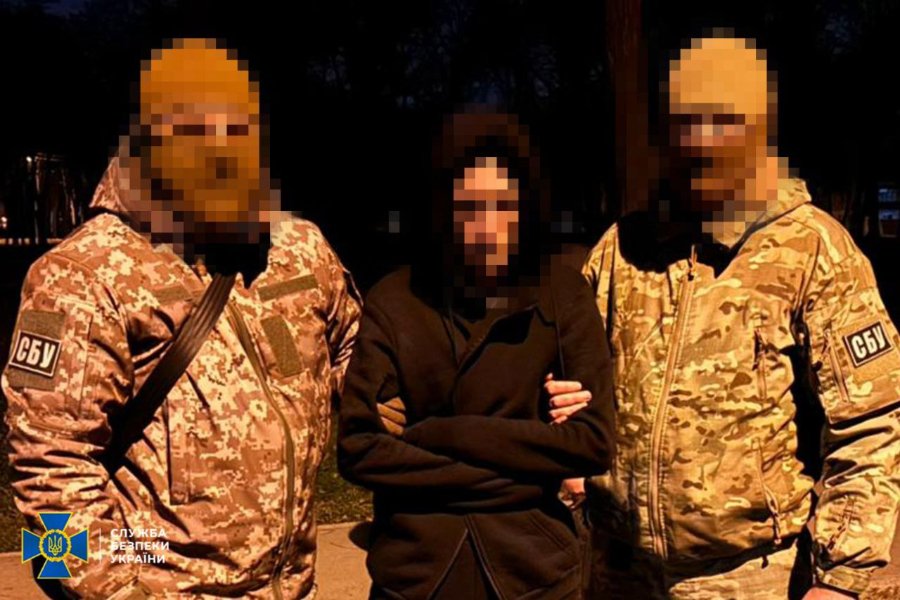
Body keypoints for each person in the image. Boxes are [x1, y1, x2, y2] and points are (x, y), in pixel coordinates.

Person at [2, 38, 361, 599]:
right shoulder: (78, 275)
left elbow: (356, 360)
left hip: (295, 588)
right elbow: (45, 477)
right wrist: (113, 593)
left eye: (237, 127)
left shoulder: (298, 248)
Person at [579, 33, 900, 599]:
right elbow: (567, 373)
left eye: (722, 119)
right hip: (619, 574)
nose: (701, 140)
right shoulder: (624, 247)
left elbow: (872, 423)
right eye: (685, 121)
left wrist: (841, 578)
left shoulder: (812, 247)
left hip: (752, 578)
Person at [338, 108, 616, 600]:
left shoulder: (562, 295)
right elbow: (359, 450)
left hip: (534, 570)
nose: (486, 227)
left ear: (525, 206)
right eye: (469, 205)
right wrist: (527, 470)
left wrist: (440, 433)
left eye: (502, 205)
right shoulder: (395, 299)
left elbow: (593, 443)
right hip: (416, 574)